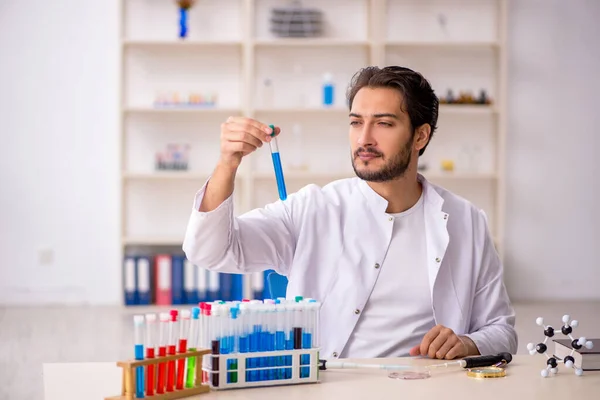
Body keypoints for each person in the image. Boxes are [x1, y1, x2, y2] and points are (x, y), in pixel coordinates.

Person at [182, 65, 518, 361]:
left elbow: (501, 330)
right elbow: (210, 252)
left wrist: (467, 343)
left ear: (420, 135)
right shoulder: (314, 208)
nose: (364, 138)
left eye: (384, 124)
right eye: (356, 123)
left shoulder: (467, 221)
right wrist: (228, 163)